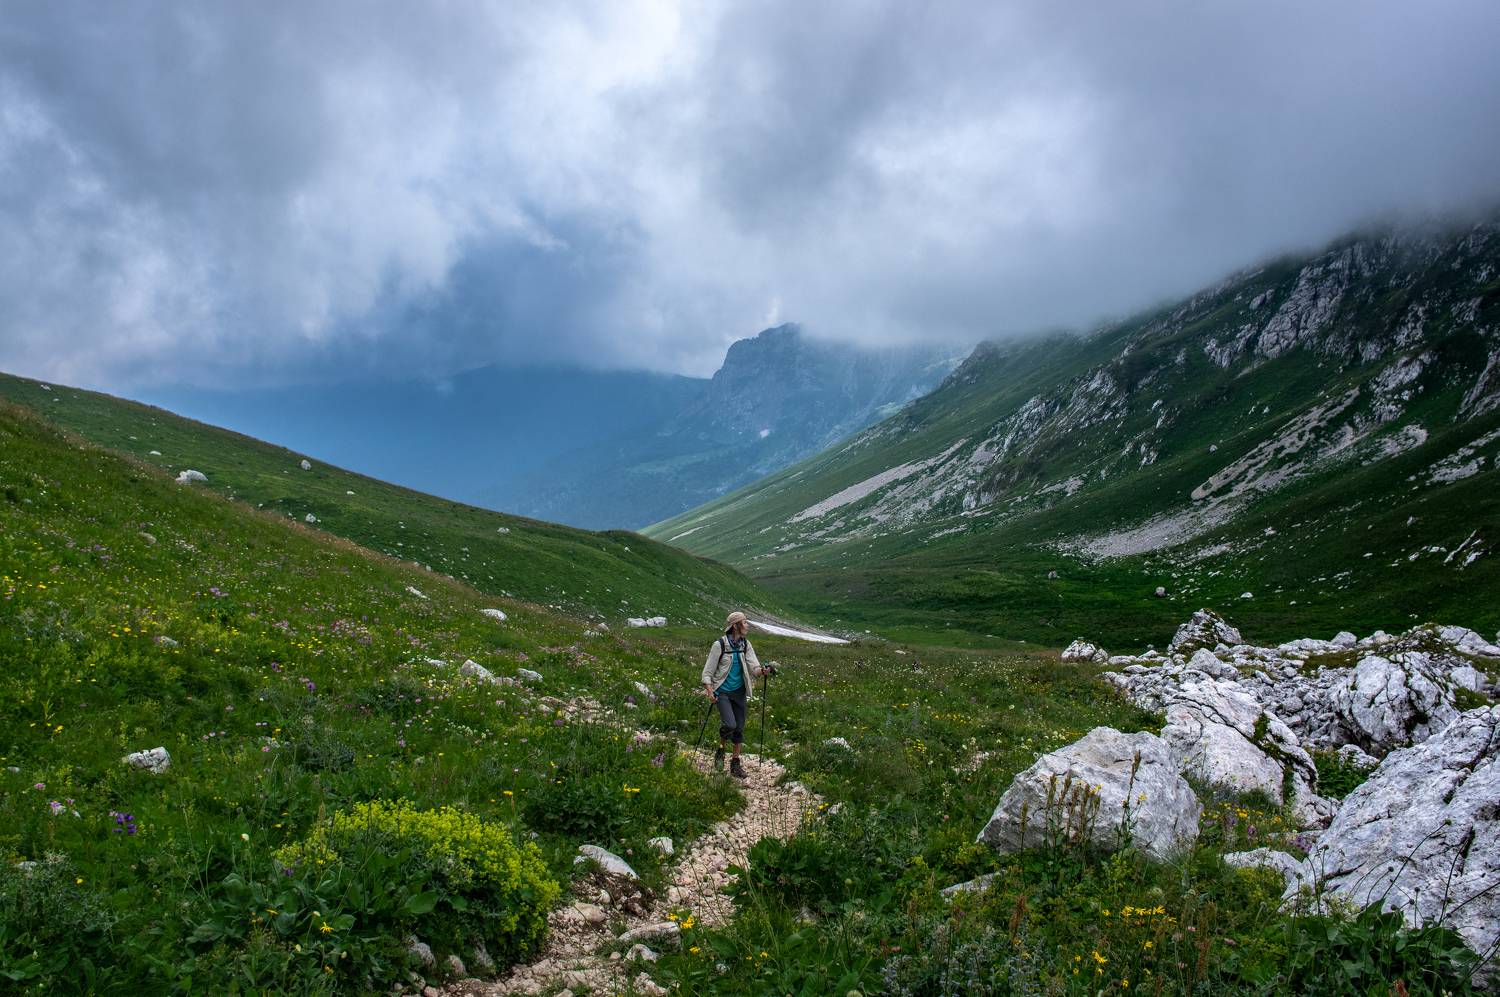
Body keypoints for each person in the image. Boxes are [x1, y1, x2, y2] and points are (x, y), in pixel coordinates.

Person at [701, 611, 770, 779]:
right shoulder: (719, 645)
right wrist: (710, 691)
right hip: (722, 691)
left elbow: (754, 667)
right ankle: (721, 750)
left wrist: (762, 671)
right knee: (730, 724)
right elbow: (707, 672)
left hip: (739, 692)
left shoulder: (745, 645)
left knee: (739, 728)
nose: (747, 626)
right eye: (744, 623)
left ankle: (735, 764)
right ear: (735, 626)